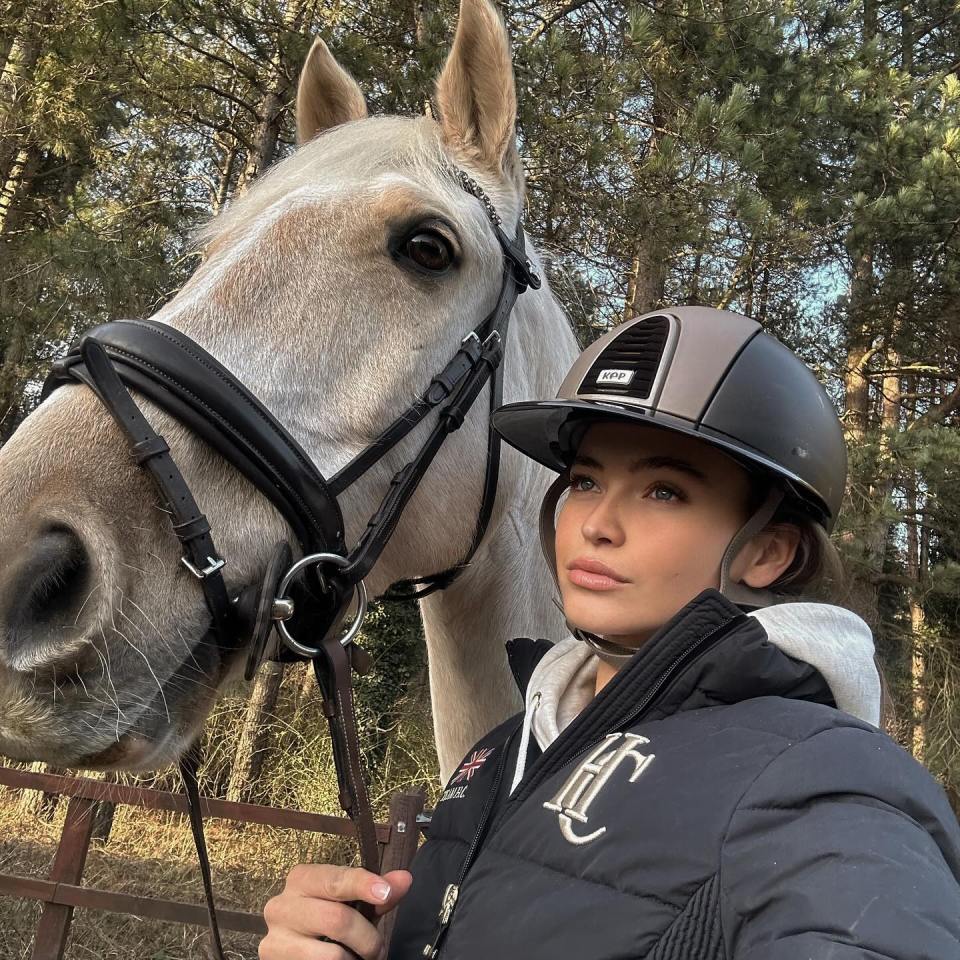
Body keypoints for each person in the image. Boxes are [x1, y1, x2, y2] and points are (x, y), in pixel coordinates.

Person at [259, 306, 960, 960]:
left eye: (664, 491)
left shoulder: (823, 778)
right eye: (587, 481)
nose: (597, 523)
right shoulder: (508, 747)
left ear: (766, 551)